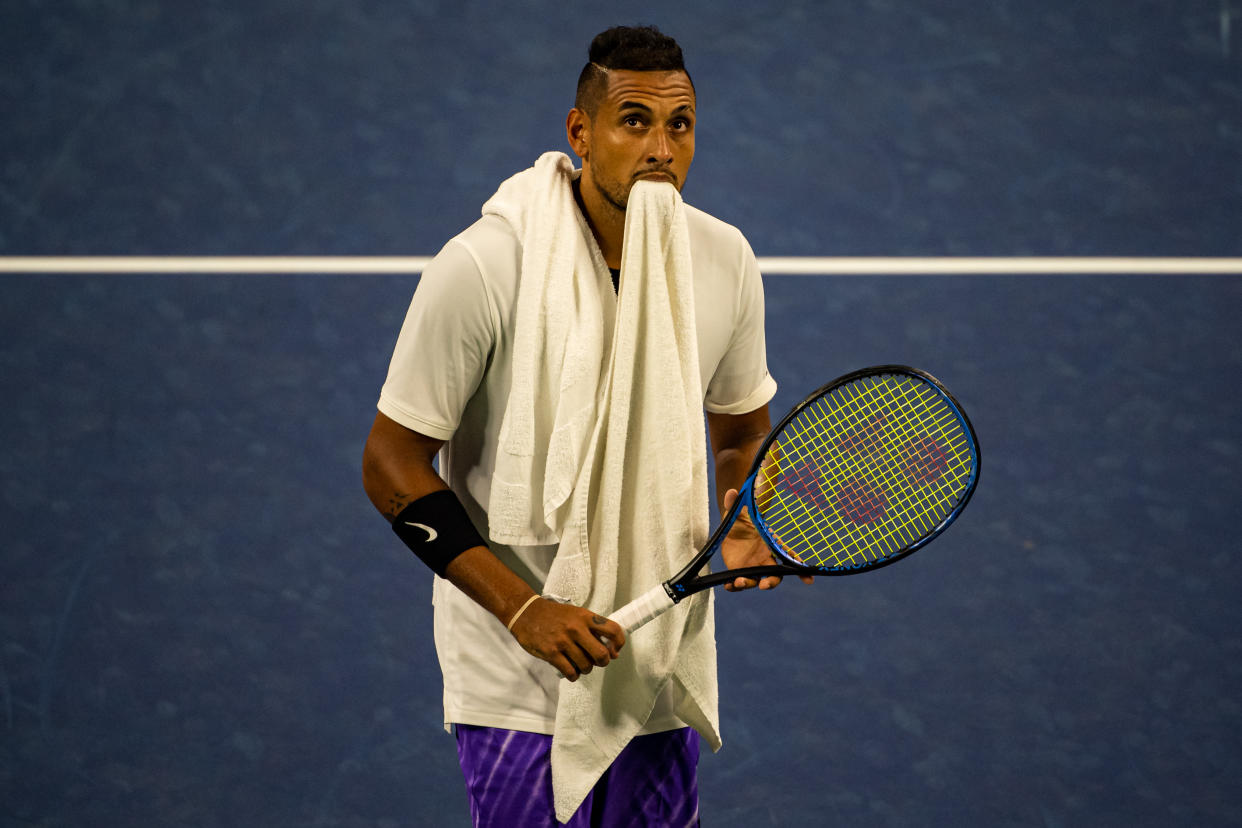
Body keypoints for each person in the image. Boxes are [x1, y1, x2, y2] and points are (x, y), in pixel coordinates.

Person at [362, 25, 808, 827]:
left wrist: (745, 510)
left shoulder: (725, 260)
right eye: (633, 119)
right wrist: (525, 611)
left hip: (650, 656)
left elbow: (740, 432)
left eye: (680, 124)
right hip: (512, 668)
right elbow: (391, 463)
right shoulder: (484, 268)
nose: (661, 147)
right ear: (580, 132)